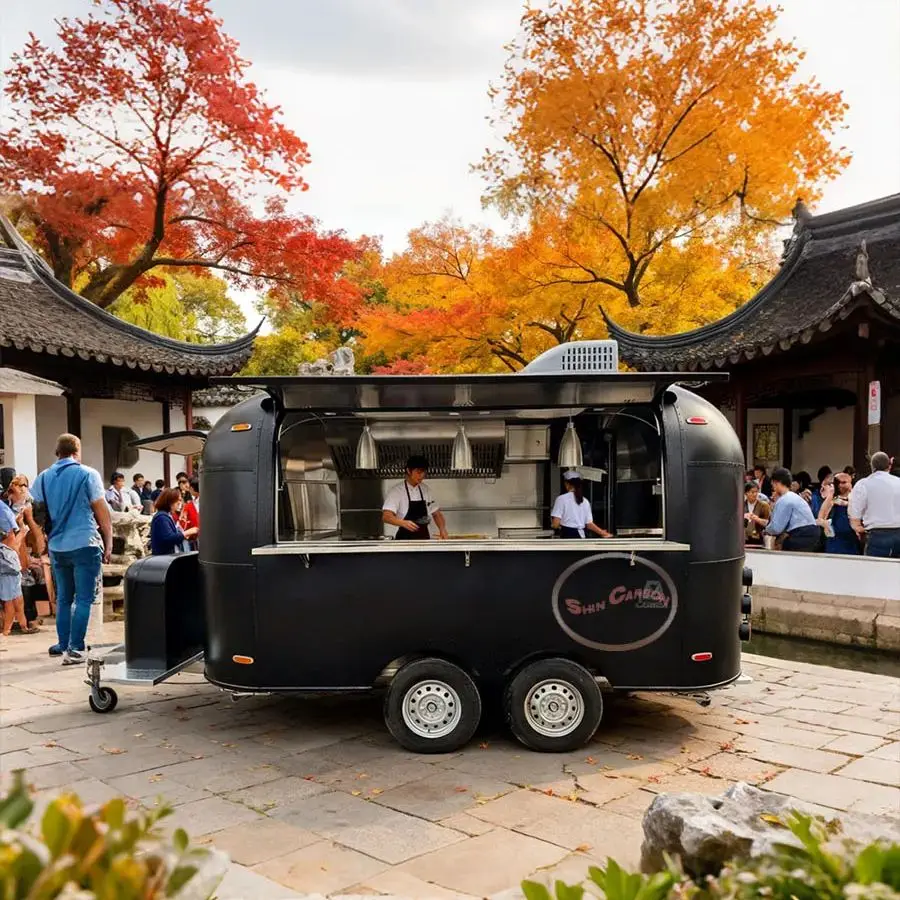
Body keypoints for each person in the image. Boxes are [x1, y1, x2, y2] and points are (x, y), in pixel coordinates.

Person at [31, 434, 112, 663]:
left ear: (57, 452)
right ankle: (76, 648)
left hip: (57, 546)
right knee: (84, 598)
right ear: (77, 451)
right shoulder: (88, 474)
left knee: (64, 598)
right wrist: (108, 541)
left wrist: (44, 539)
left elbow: (36, 514)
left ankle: (62, 643)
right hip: (85, 543)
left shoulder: (42, 478)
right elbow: (102, 511)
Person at [382, 455, 448, 540]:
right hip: (404, 541)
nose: (422, 476)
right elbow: (386, 516)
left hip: (425, 540)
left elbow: (437, 514)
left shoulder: (426, 490)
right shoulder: (396, 491)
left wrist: (442, 529)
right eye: (419, 472)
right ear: (408, 471)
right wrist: (403, 523)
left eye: (424, 472)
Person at [849, 451, 900, 558]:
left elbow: (854, 513)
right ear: (889, 465)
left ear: (871, 466)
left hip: (877, 534)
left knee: (874, 567)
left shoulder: (863, 484)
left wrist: (858, 528)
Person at [764, 467, 822, 552]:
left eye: (772, 484)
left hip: (802, 534)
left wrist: (766, 530)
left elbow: (776, 528)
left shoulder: (784, 499)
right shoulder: (793, 496)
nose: (772, 487)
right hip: (811, 533)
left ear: (776, 482)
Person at [551, 471, 611, 539]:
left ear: (566, 484)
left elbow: (555, 524)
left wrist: (552, 526)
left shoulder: (561, 499)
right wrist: (603, 533)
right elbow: (589, 524)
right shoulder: (585, 501)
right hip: (582, 536)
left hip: (568, 536)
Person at [815, 474, 860, 555]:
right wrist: (827, 525)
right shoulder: (832, 500)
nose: (840, 485)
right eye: (838, 482)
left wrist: (846, 504)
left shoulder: (856, 498)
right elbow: (820, 518)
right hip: (835, 541)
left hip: (852, 541)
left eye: (844, 482)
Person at [150, 488, 198, 555]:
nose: (179, 503)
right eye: (178, 500)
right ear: (169, 501)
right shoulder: (161, 517)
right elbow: (169, 538)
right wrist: (187, 532)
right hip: (164, 557)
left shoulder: (167, 515)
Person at [744, 482, 771, 546]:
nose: (755, 494)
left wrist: (757, 519)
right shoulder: (741, 505)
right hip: (744, 538)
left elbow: (768, 523)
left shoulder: (764, 505)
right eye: (752, 492)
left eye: (756, 492)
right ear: (746, 493)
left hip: (759, 538)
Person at [180, 477, 200, 546]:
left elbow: (182, 522)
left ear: (191, 488)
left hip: (194, 534)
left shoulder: (189, 505)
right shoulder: (210, 501)